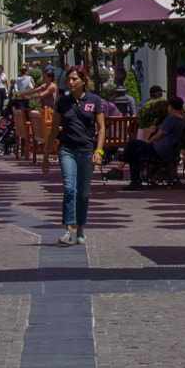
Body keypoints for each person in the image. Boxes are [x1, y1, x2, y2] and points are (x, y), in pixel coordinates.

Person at [53, 67, 109, 245]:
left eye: (74, 79)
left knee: (83, 193)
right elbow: (54, 129)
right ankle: (68, 228)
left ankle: (80, 229)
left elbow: (101, 128)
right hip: (67, 150)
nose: (70, 82)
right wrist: (47, 155)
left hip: (86, 150)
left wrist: (98, 151)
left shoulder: (94, 100)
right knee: (70, 188)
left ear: (84, 81)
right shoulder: (62, 102)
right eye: (69, 79)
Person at [124, 96, 185, 187]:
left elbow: (159, 135)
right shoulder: (184, 121)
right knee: (132, 143)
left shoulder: (170, 118)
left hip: (158, 149)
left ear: (170, 107)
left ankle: (135, 181)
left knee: (133, 153)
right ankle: (122, 162)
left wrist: (148, 142)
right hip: (168, 151)